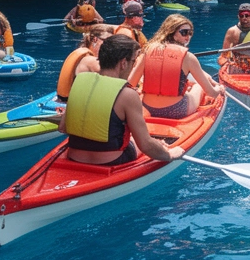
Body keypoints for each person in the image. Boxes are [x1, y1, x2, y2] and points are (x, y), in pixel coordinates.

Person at [59, 35, 185, 166]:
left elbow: (63, 127)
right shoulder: (127, 94)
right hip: (111, 160)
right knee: (147, 141)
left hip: (74, 157)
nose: (133, 65)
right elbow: (146, 146)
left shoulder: (79, 82)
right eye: (133, 61)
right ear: (123, 63)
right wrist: (169, 154)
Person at [128, 15, 223, 119]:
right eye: (184, 32)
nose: (188, 36)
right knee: (198, 86)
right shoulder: (189, 57)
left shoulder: (147, 52)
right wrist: (219, 89)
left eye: (190, 33)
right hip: (176, 110)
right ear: (171, 32)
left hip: (148, 107)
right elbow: (211, 93)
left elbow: (130, 83)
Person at [56, 25, 116, 102]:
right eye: (108, 41)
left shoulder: (83, 52)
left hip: (62, 100)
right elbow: (114, 79)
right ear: (95, 39)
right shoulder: (90, 60)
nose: (111, 46)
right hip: (71, 105)